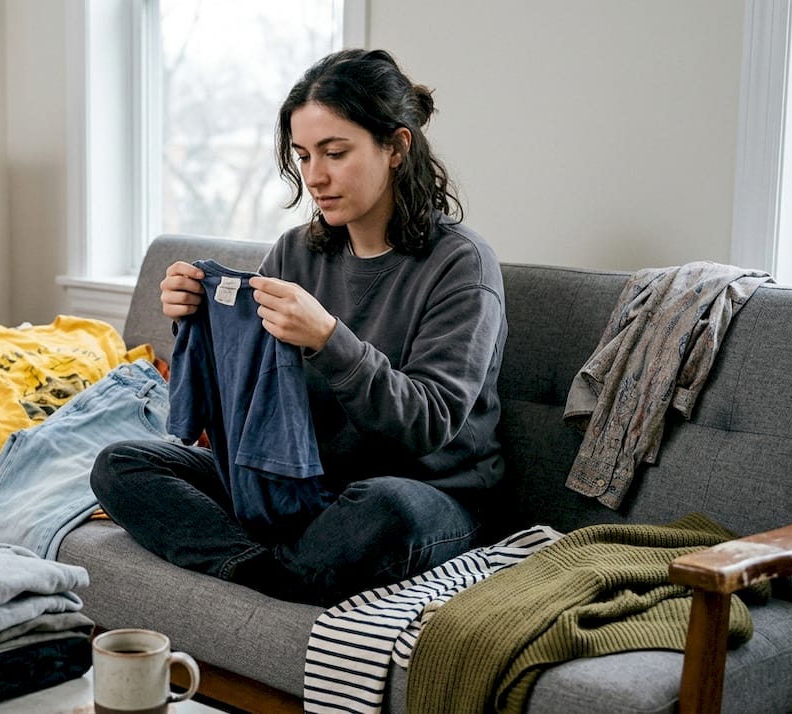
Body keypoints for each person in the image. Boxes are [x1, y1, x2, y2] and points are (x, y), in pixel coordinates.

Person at [90, 48, 507, 607]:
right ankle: (271, 572)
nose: (315, 176)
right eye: (304, 155)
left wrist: (329, 340)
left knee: (386, 509)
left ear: (396, 148)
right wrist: (197, 317)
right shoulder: (295, 252)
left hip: (426, 494)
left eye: (335, 153)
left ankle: (270, 561)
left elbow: (429, 422)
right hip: (303, 480)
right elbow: (249, 385)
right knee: (121, 465)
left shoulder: (461, 265)